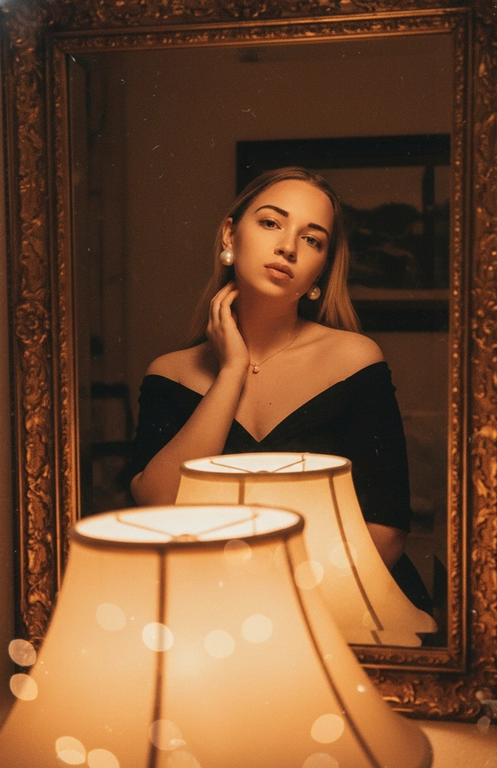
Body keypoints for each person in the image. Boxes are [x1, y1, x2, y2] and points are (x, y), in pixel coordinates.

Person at [129, 167, 428, 593]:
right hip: (212, 609)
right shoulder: (170, 373)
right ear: (230, 237)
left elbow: (386, 534)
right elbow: (156, 506)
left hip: (347, 604)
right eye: (271, 223)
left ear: (321, 271)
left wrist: (272, 609)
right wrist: (231, 372)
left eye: (312, 239)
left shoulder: (355, 360)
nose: (287, 247)